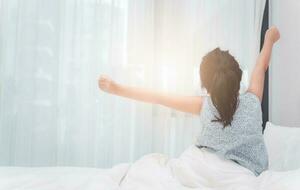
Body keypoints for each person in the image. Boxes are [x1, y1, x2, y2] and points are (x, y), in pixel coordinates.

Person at [98, 27, 280, 177]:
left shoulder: (203, 105)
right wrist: (269, 39)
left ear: (206, 86)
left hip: (202, 171)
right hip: (244, 177)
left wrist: (116, 88)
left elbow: (156, 97)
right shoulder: (253, 101)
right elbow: (261, 64)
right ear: (238, 77)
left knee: (149, 169)